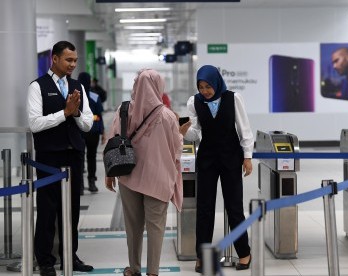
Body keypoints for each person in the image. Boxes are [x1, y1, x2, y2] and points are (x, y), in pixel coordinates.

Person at [105, 69, 188, 276]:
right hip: (158, 180)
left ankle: (134, 268)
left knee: (133, 228)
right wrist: (181, 133)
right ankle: (153, 272)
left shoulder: (123, 110)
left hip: (128, 176)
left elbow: (112, 142)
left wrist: (109, 173)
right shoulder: (168, 116)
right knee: (156, 228)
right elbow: (176, 150)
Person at [27, 41, 94, 276]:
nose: (72, 65)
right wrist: (63, 113)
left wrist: (74, 112)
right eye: (68, 60)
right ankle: (45, 260)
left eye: (75, 60)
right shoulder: (38, 87)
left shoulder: (78, 87)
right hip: (48, 156)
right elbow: (35, 124)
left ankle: (69, 256)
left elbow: (86, 124)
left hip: (73, 155)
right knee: (47, 208)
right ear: (54, 59)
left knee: (72, 208)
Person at [183, 65, 253, 273]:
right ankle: (202, 255)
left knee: (234, 208)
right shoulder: (194, 102)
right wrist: (184, 132)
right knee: (204, 209)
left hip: (231, 157)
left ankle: (244, 253)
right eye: (201, 87)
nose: (205, 91)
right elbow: (196, 133)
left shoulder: (233, 98)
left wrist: (247, 157)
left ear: (216, 83)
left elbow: (245, 130)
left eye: (208, 86)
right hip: (207, 159)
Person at [77, 72, 106, 194]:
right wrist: (103, 131)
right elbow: (99, 115)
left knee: (79, 157)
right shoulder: (95, 96)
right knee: (91, 157)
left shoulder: (74, 94)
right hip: (93, 131)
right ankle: (92, 182)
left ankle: (80, 185)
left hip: (78, 131)